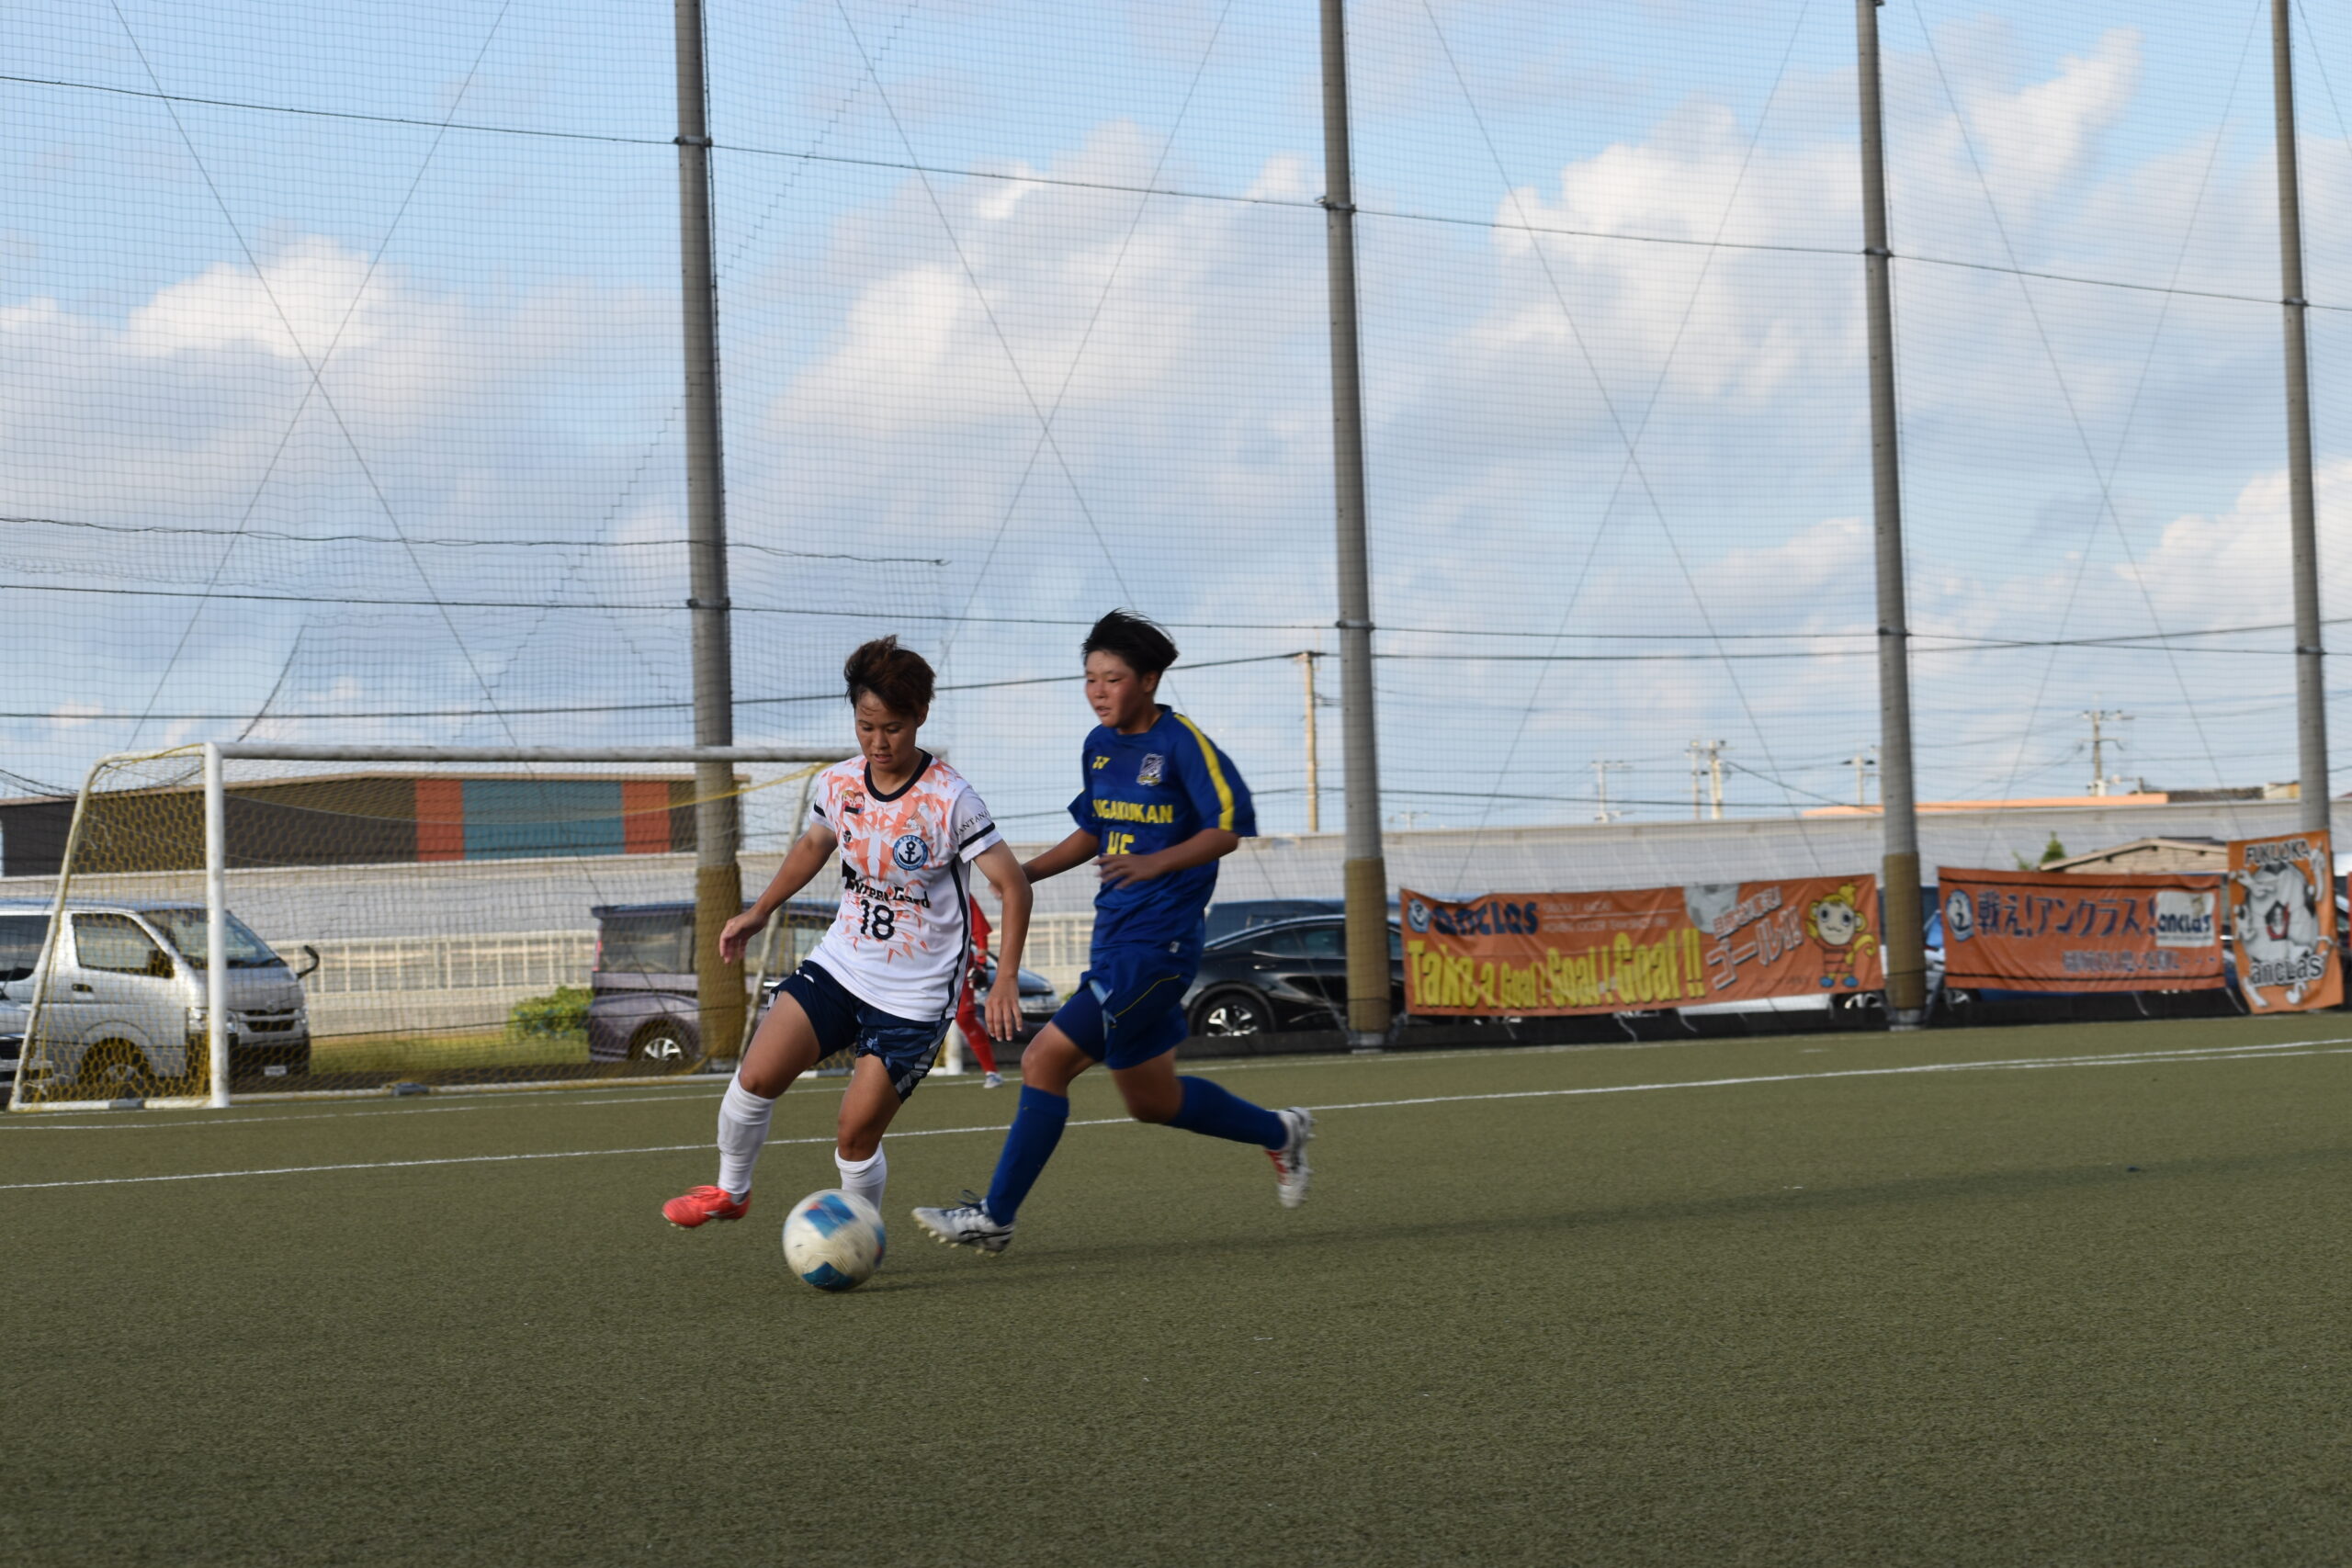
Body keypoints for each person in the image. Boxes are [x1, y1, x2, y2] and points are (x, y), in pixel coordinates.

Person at [912, 610, 1311, 1256]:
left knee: (1043, 1060)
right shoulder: (1099, 745)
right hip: (1115, 941)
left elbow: (1229, 827)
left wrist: (1157, 861)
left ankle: (994, 1217)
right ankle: (1281, 1132)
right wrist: (1027, 871)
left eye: (1113, 678)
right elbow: (1095, 829)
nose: (1098, 691)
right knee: (1152, 1100)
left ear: (1149, 680)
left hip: (1158, 950)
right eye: (1090, 678)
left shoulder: (1183, 744)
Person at [662, 637, 1031, 1231]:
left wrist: (1006, 976)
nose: (878, 742)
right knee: (755, 1076)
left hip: (914, 994)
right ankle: (731, 1190)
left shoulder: (950, 799)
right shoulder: (838, 784)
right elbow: (814, 844)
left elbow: (1013, 885)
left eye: (893, 728)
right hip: (841, 964)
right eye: (866, 726)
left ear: (920, 716)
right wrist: (760, 911)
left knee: (854, 1133)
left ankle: (861, 1232)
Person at [953, 891, 1004, 1088]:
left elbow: (979, 929)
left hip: (959, 964)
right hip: (920, 965)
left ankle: (991, 1072)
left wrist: (981, 962)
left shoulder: (958, 889)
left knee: (964, 1017)